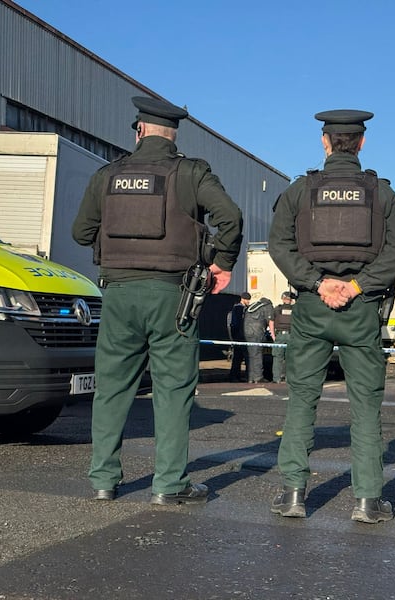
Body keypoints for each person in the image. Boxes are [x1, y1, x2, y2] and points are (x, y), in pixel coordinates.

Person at [72, 96, 243, 505]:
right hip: (172, 296)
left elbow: (81, 233)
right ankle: (169, 486)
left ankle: (103, 481)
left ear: (139, 130)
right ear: (173, 133)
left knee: (112, 388)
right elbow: (230, 218)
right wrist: (221, 262)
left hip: (118, 294)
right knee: (173, 388)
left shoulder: (107, 175)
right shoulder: (190, 172)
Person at [267, 109, 395, 523]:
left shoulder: (300, 191)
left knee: (302, 400)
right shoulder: (384, 195)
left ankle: (293, 494)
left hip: (312, 308)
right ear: (362, 143)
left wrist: (316, 283)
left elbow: (280, 246)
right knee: (365, 405)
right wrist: (354, 286)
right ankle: (368, 501)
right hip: (362, 308)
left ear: (325, 142)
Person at [243, 295, 273, 383]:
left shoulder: (253, 306)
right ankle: (258, 377)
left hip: (247, 332)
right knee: (257, 354)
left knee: (251, 354)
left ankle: (250, 377)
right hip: (257, 332)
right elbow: (270, 321)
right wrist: (273, 334)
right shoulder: (267, 306)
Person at [269, 291, 294, 383]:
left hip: (280, 335)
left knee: (277, 357)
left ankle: (277, 378)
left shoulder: (277, 309)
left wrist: (273, 335)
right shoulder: (295, 309)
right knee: (291, 358)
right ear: (291, 300)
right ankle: (289, 379)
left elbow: (271, 322)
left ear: (282, 299)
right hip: (292, 335)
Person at [228, 292, 251, 382]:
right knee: (243, 357)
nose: (249, 301)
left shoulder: (240, 308)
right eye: (247, 299)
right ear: (243, 299)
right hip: (240, 336)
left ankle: (235, 376)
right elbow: (236, 323)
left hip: (239, 336)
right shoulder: (238, 308)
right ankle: (240, 376)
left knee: (238, 357)